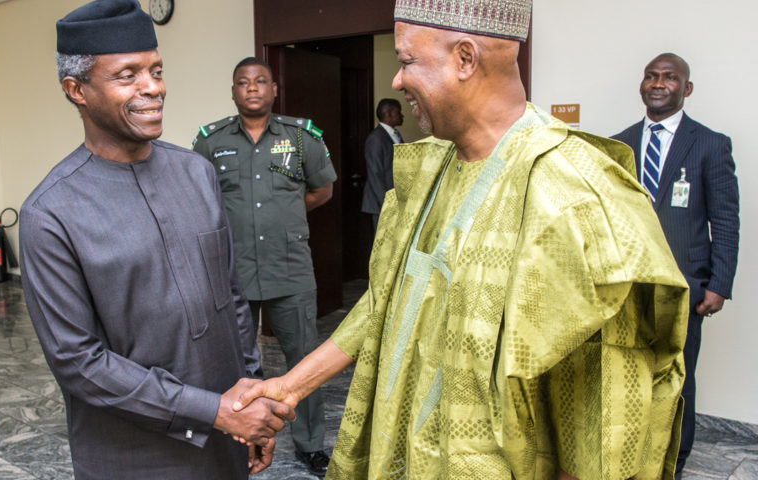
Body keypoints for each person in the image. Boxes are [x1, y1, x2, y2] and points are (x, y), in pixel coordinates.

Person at [232, 1, 691, 479]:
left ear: (465, 59)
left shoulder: (575, 197)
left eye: (407, 60)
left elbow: (600, 417)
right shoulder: (428, 168)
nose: (396, 79)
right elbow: (386, 301)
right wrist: (290, 385)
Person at [18, 2, 294, 479]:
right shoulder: (50, 214)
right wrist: (216, 410)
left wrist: (251, 400)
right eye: (128, 75)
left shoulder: (196, 173)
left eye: (157, 69)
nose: (154, 87)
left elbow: (231, 298)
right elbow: (79, 362)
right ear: (76, 89)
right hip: (133, 457)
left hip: (225, 443)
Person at [192, 56, 337, 476]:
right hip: (232, 272)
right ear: (233, 91)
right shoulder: (210, 140)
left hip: (289, 268)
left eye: (260, 81)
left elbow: (322, 190)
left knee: (304, 362)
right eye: (243, 82)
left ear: (274, 90)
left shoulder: (299, 137)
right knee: (234, 364)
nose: (252, 88)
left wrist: (285, 215)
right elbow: (198, 200)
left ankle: (310, 445)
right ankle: (240, 439)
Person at [612, 53, 740, 478]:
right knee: (627, 374)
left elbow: (724, 218)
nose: (658, 82)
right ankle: (629, 454)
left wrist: (719, 283)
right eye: (651, 75)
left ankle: (674, 461)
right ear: (642, 85)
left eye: (670, 77)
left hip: (685, 285)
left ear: (686, 89)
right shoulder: (619, 144)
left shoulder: (709, 144)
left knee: (678, 377)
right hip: (626, 286)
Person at [361, 98, 404, 232]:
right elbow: (375, 174)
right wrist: (387, 203)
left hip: (396, 198)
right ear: (389, 114)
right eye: (399, 112)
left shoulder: (395, 134)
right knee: (383, 244)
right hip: (382, 202)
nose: (402, 116)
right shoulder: (376, 138)